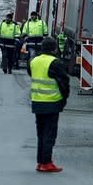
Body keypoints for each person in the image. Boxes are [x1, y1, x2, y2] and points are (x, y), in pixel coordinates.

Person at [30, 37, 70, 173]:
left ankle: (40, 161)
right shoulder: (55, 63)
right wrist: (64, 98)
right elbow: (64, 82)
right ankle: (47, 162)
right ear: (54, 48)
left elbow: (32, 74)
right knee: (49, 134)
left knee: (41, 134)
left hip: (37, 102)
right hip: (51, 103)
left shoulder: (34, 61)